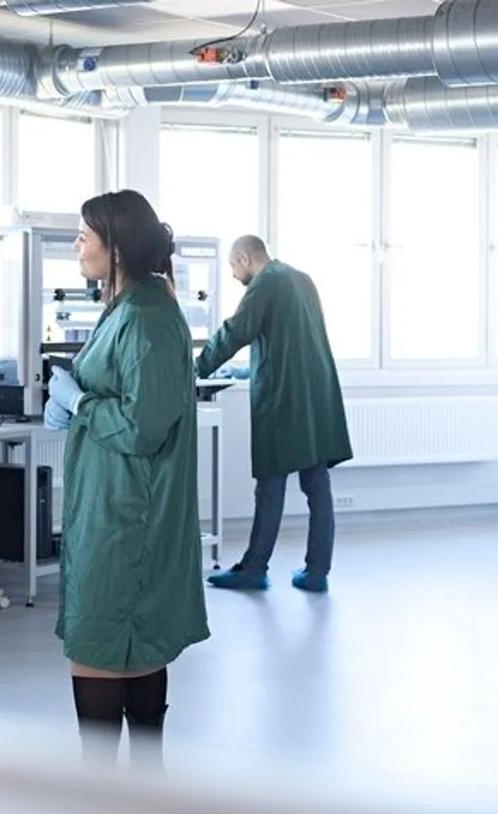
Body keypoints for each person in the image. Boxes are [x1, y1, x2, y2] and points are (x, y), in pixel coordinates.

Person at [45, 189, 209, 763]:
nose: (76, 247)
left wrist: (78, 403)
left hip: (128, 514)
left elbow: (142, 428)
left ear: (115, 250)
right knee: (128, 644)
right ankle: (135, 797)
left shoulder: (145, 315)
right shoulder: (126, 306)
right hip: (111, 503)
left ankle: (108, 799)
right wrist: (76, 398)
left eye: (84, 238)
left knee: (104, 636)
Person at [196, 236, 352, 594]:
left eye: (234, 268)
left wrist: (196, 366)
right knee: (317, 486)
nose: (235, 277)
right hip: (317, 396)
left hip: (285, 401)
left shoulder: (265, 282)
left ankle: (254, 569)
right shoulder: (301, 279)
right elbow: (290, 342)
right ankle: (317, 573)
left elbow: (236, 331)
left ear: (245, 258)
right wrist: (246, 371)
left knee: (270, 484)